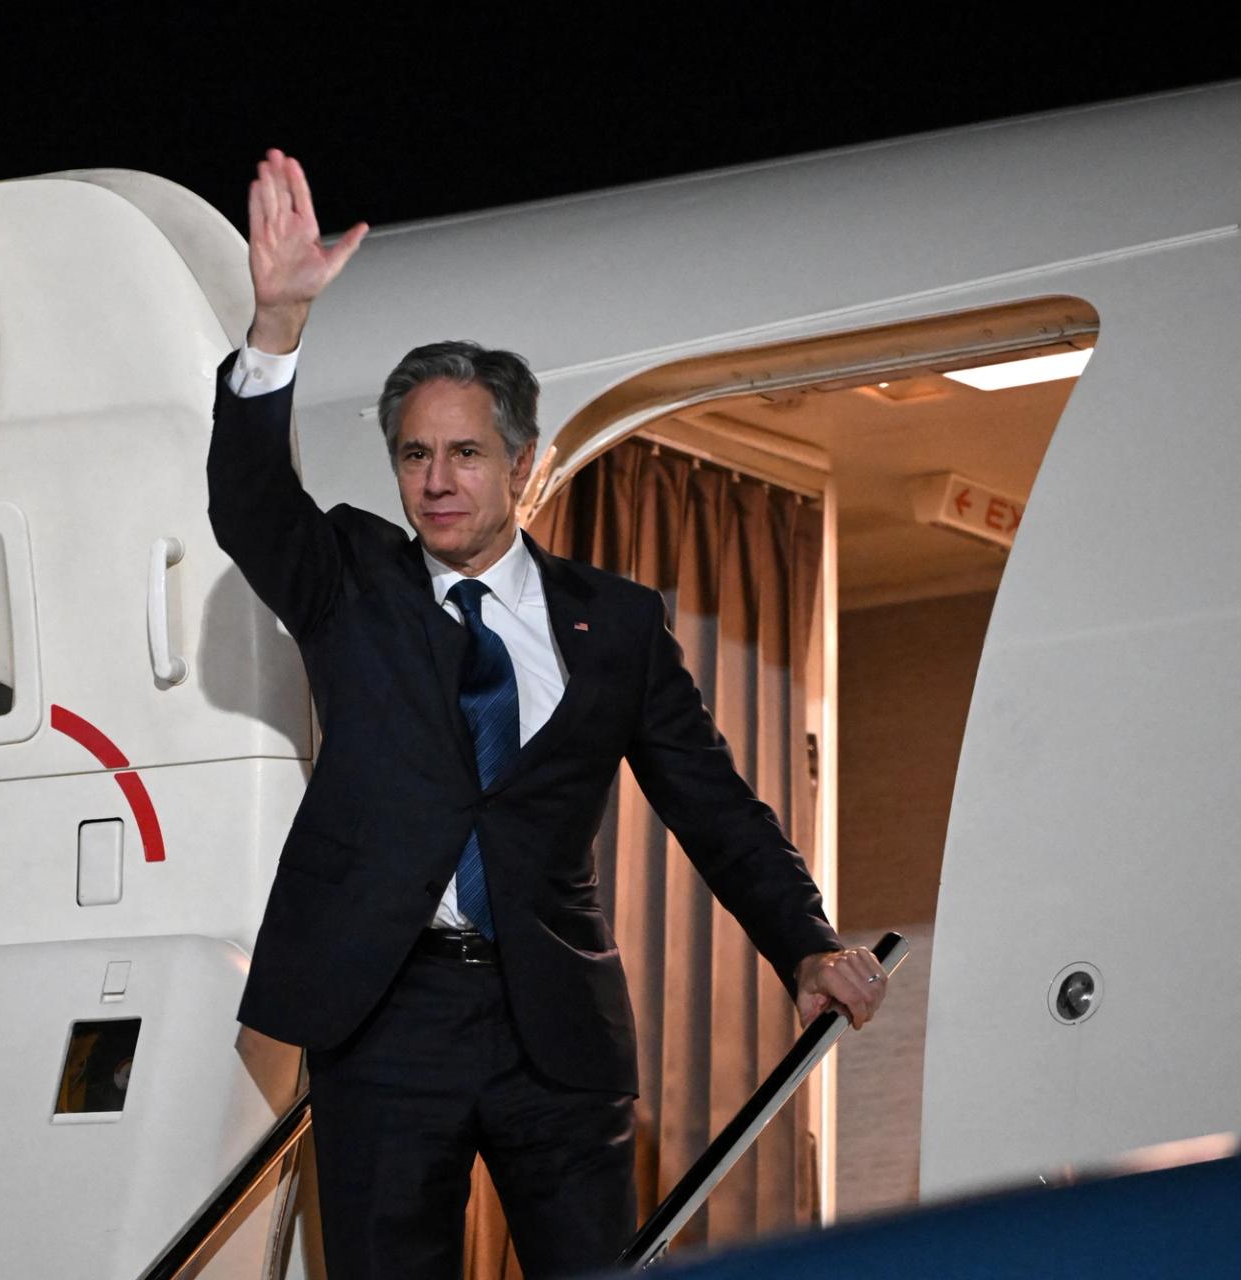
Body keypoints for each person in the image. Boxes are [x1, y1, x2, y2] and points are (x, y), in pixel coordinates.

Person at [208, 149, 888, 1280]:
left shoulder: (612, 623)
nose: (435, 480)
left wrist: (805, 942)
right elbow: (247, 502)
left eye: (464, 453)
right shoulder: (351, 580)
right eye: (415, 455)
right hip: (386, 1017)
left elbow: (710, 799)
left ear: (521, 464)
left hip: (555, 1025)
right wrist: (276, 322)